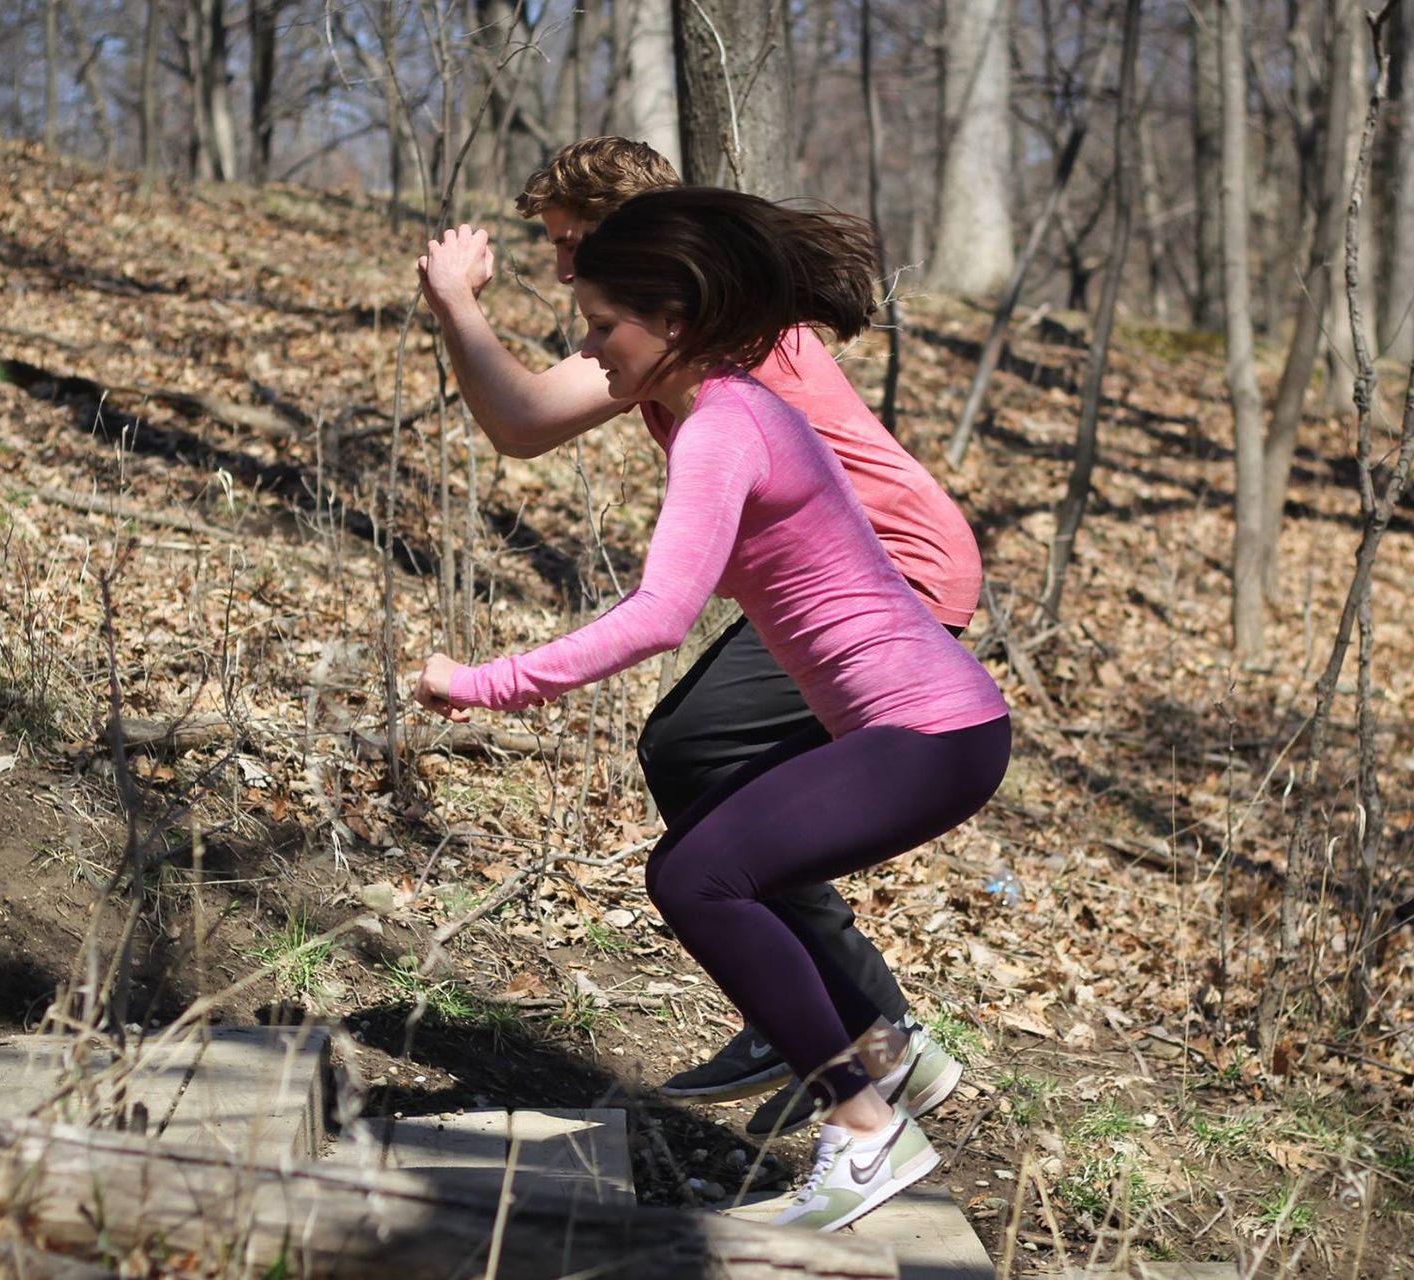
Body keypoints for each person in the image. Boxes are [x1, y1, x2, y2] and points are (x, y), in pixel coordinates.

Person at [411, 188, 1011, 1231]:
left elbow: (656, 616)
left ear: (676, 319)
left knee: (697, 870)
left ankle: (868, 1121)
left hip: (929, 734)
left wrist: (485, 679)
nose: (590, 349)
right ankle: (871, 1066)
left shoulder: (722, 429)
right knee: (709, 832)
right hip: (938, 729)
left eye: (603, 327)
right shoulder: (737, 408)